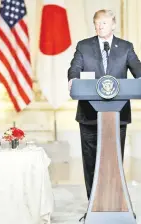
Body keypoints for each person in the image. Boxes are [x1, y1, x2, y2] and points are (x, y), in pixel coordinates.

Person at [68, 9, 141, 221]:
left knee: (113, 162)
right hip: (89, 116)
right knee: (91, 164)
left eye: (105, 23)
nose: (101, 27)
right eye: (97, 23)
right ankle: (93, 207)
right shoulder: (84, 46)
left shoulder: (126, 47)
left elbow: (138, 70)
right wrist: (72, 79)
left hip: (117, 116)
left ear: (113, 25)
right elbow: (74, 69)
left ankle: (119, 206)